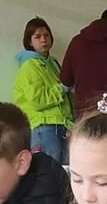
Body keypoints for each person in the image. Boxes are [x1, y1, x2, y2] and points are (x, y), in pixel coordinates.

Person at [13, 17, 73, 162]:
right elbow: (38, 100)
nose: (43, 40)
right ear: (29, 42)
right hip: (44, 127)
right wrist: (63, 88)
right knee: (49, 174)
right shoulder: (29, 66)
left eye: (46, 35)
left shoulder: (52, 63)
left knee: (64, 174)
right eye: (37, 37)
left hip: (61, 125)